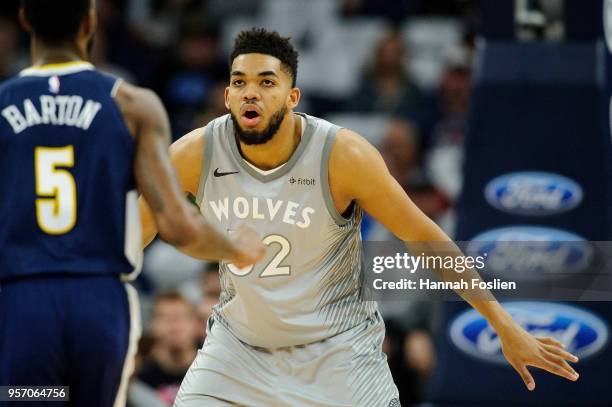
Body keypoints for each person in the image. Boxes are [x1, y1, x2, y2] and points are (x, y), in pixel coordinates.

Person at [139, 28, 580, 406]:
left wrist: (502, 323)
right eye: (240, 81)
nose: (251, 91)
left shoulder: (341, 155)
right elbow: (128, 237)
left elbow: (423, 235)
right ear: (228, 95)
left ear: (292, 96)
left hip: (336, 354)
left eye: (266, 81)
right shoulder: (194, 154)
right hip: (238, 350)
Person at [0, 1, 264, 406]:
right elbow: (176, 224)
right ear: (89, 22)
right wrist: (235, 250)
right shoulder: (131, 105)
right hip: (98, 300)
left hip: (23, 300)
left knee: (31, 400)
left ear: (24, 20)